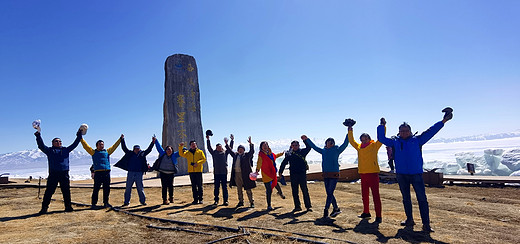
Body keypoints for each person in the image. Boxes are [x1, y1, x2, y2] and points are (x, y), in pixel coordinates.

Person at [377, 108, 453, 233]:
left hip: (416, 174)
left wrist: (444, 120)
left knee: (422, 199)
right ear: (399, 132)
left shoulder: (418, 140)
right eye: (402, 131)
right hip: (401, 175)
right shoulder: (395, 142)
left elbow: (431, 131)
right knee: (406, 198)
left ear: (410, 131)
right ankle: (409, 220)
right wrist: (382, 125)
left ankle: (426, 224)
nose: (404, 133)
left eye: (406, 131)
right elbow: (381, 138)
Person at [302, 126, 348, 219]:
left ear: (333, 143)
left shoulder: (337, 150)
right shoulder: (323, 151)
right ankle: (336, 208)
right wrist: (307, 140)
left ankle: (326, 210)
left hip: (334, 174)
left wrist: (349, 131)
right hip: (326, 174)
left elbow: (346, 143)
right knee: (329, 193)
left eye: (330, 143)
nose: (328, 144)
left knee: (330, 192)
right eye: (327, 143)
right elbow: (314, 147)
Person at [35, 128, 82, 214]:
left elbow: (75, 144)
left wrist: (79, 135)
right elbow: (41, 145)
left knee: (66, 191)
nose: (58, 142)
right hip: (53, 174)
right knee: (49, 191)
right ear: (52, 143)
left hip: (64, 173)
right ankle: (44, 208)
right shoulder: (49, 151)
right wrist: (38, 136)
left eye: (60, 141)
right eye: (56, 141)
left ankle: (68, 207)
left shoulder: (65, 150)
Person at [348, 121, 383, 223]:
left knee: (376, 195)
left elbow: (381, 139)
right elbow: (351, 141)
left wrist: (382, 126)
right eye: (362, 140)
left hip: (373, 173)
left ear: (369, 139)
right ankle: (366, 212)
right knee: (364, 195)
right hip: (363, 174)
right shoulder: (359, 147)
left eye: (365, 139)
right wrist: (350, 129)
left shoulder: (374, 146)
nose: (363, 141)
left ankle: (379, 216)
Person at [80, 135, 122, 208]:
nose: (101, 146)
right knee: (96, 189)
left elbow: (114, 146)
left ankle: (106, 202)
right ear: (97, 146)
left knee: (107, 189)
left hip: (106, 172)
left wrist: (120, 139)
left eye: (102, 144)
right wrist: (80, 138)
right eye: (100, 144)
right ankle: (93, 204)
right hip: (98, 173)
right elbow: (85, 146)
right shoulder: (93, 152)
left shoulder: (107, 152)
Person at [115, 135, 154, 206]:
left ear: (139, 149)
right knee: (128, 188)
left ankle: (142, 201)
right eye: (135, 149)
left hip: (139, 173)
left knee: (140, 188)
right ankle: (126, 202)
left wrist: (153, 142)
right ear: (133, 149)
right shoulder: (130, 153)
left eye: (138, 149)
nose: (137, 150)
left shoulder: (142, 154)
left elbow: (149, 150)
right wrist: (122, 140)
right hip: (131, 173)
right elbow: (124, 148)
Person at [279, 140, 312, 212]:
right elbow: (284, 162)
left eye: (296, 145)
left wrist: (305, 140)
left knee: (305, 190)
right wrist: (280, 171)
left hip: (302, 173)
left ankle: (308, 206)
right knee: (294, 191)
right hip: (293, 174)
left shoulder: (302, 152)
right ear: (291, 146)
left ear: (299, 145)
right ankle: (297, 206)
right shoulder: (289, 154)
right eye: (293, 145)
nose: (295, 147)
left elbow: (309, 147)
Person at [227, 136, 256, 208]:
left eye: (242, 149)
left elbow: (252, 152)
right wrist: (229, 143)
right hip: (237, 174)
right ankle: (241, 201)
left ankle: (251, 202)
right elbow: (230, 151)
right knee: (239, 188)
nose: (240, 150)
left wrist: (250, 144)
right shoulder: (235, 155)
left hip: (245, 174)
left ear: (243, 150)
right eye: (239, 149)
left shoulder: (246, 155)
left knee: (248, 188)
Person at [255, 141, 285, 211]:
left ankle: (280, 193)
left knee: (276, 184)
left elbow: (275, 156)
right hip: (266, 174)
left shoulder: (270, 153)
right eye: (263, 145)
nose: (265, 146)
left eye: (266, 145)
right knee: (269, 190)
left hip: (272, 172)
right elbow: (259, 162)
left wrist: (282, 154)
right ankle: (269, 205)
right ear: (261, 147)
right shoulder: (261, 154)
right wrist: (257, 170)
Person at [206, 134, 233, 206]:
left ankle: (225, 201)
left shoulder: (225, 152)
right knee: (216, 187)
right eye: (218, 147)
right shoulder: (214, 153)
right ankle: (216, 200)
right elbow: (209, 148)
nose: (219, 148)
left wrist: (231, 141)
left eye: (220, 147)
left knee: (224, 187)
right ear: (216, 148)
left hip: (224, 172)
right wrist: (208, 140)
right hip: (217, 173)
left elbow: (230, 149)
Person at [152, 137, 179, 205]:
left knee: (170, 186)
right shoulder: (162, 153)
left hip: (171, 173)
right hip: (163, 173)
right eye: (167, 149)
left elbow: (180, 152)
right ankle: (164, 199)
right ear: (165, 150)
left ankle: (171, 197)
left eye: (170, 149)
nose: (168, 151)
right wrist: (156, 141)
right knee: (164, 186)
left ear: (172, 150)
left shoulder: (174, 155)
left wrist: (183, 148)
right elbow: (159, 147)